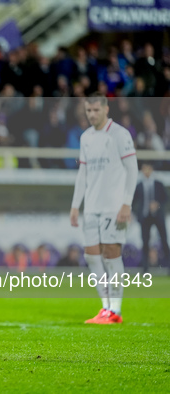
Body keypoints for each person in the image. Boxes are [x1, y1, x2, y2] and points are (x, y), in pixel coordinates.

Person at [70, 93, 138, 324]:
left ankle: (116, 310)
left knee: (111, 255)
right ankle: (106, 306)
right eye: (88, 111)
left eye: (96, 110)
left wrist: (126, 203)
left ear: (106, 109)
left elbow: (132, 170)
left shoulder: (120, 134)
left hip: (114, 206)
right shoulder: (86, 137)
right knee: (91, 256)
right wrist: (75, 205)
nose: (92, 115)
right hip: (92, 206)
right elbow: (83, 173)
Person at [133, 163, 169, 269]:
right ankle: (145, 268)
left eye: (149, 168)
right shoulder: (139, 185)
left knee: (164, 240)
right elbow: (134, 202)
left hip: (158, 216)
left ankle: (168, 265)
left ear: (152, 169)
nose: (147, 171)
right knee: (145, 242)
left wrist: (157, 205)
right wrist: (137, 214)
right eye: (145, 168)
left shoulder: (158, 184)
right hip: (145, 217)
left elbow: (165, 198)